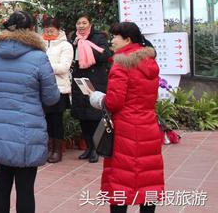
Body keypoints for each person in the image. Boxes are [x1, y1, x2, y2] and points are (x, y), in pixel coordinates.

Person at [0, 11, 60, 213]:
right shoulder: (38, 57)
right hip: (28, 130)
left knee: (1, 184)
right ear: (32, 29)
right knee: (25, 189)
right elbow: (52, 98)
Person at [88, 22, 164, 213]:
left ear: (127, 39)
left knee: (121, 182)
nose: (111, 40)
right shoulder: (150, 62)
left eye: (115, 37)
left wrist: (98, 98)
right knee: (148, 180)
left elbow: (114, 102)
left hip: (125, 130)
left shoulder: (121, 63)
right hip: (148, 126)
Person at [70, 13, 112, 163]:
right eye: (78, 23)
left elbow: (105, 56)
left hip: (95, 81)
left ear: (90, 24)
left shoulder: (99, 38)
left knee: (94, 117)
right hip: (80, 81)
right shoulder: (73, 39)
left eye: (84, 23)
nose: (81, 26)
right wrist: (77, 44)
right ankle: (88, 147)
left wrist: (86, 46)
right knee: (83, 117)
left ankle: (96, 148)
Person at [41, 17, 74, 163]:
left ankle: (57, 151)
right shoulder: (40, 44)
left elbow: (64, 67)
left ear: (58, 29)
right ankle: (49, 148)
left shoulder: (65, 46)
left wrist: (44, 68)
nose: (48, 31)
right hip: (42, 88)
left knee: (56, 120)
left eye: (51, 29)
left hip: (59, 88)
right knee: (46, 120)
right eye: (46, 28)